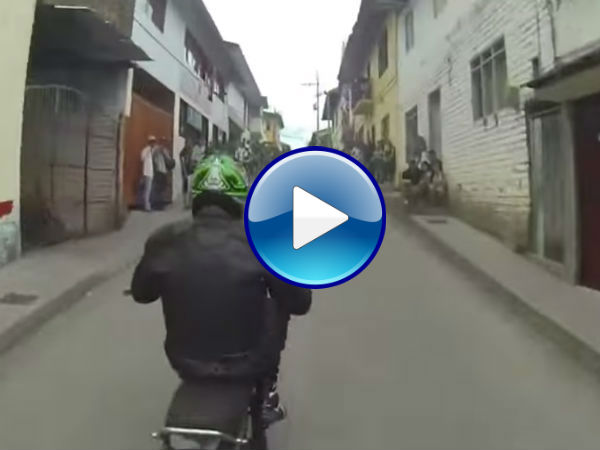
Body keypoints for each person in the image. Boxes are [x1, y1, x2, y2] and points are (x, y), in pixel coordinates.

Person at [130, 154, 311, 426]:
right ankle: (267, 393)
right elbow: (300, 303)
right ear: (239, 197)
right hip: (249, 359)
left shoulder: (164, 239)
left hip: (184, 358)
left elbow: (142, 294)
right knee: (279, 303)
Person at [140, 136, 156, 212]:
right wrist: (148, 151)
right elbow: (142, 158)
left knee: (149, 190)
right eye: (152, 142)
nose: (153, 144)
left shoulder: (153, 150)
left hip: (151, 173)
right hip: (147, 172)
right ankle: (147, 206)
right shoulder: (146, 150)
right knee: (147, 190)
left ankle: (148, 205)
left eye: (154, 142)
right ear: (149, 142)